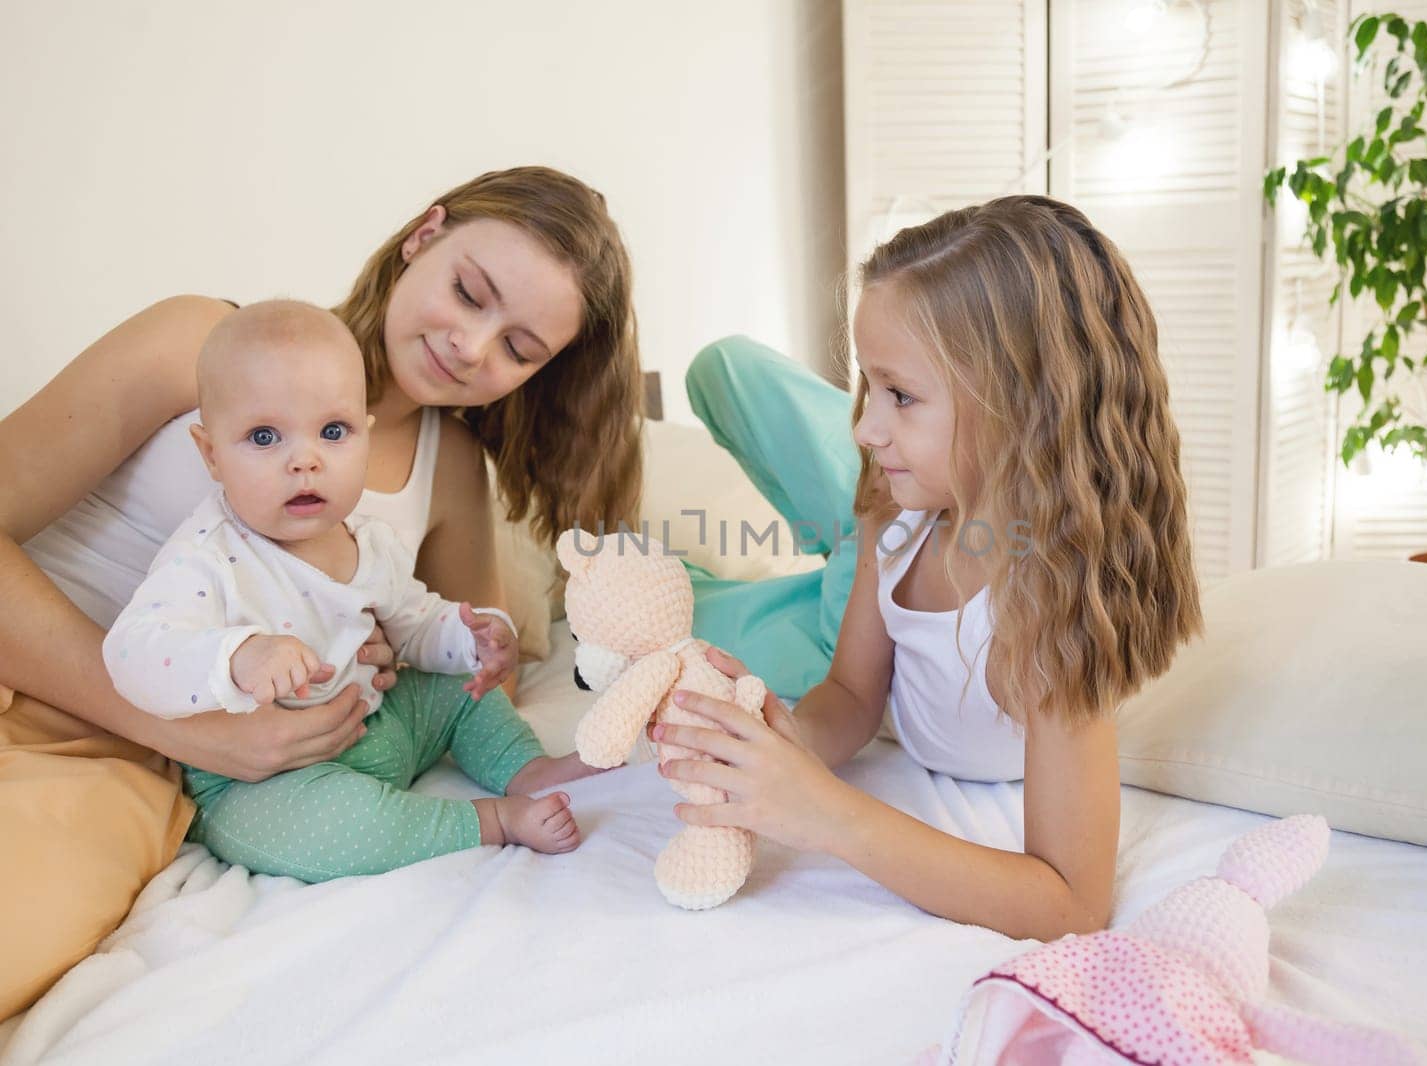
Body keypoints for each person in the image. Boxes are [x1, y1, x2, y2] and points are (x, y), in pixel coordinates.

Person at [0, 166, 642, 1018]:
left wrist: (388, 640)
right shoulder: (195, 342)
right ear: (424, 235)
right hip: (55, 681)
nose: (473, 346)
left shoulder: (447, 466)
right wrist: (191, 730)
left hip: (142, 774)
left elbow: (481, 665)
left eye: (520, 349)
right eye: (468, 291)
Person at [667, 195, 1203, 940]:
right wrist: (790, 743)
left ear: (1025, 405)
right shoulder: (893, 515)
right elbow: (854, 691)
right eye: (867, 387)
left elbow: (1072, 904)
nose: (864, 426)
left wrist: (826, 813)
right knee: (678, 620)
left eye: (901, 395)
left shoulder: (1052, 593)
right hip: (882, 539)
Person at [106, 300, 604, 879]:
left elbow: (415, 620)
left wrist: (469, 638)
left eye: (333, 432)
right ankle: (489, 820)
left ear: (364, 439)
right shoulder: (209, 556)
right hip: (272, 774)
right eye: (265, 436)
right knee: (333, 828)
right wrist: (239, 656)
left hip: (380, 723)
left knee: (455, 690)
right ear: (212, 454)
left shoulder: (371, 542)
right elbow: (132, 650)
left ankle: (527, 768)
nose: (305, 460)